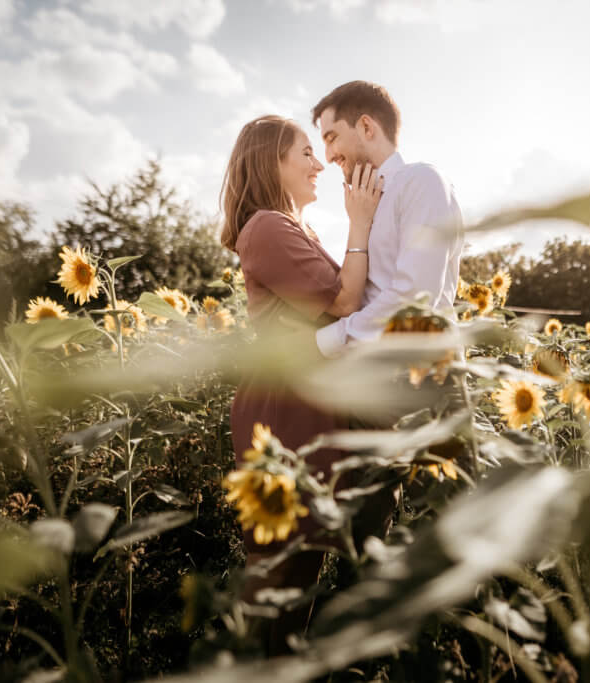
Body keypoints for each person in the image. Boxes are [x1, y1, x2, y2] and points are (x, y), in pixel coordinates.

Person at [219, 114, 383, 651]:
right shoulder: (267, 226)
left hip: (306, 400)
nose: (319, 165)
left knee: (307, 561)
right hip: (284, 408)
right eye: (306, 154)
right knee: (286, 572)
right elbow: (342, 303)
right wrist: (359, 222)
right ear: (273, 163)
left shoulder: (292, 227)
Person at [310, 81, 465, 359]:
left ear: (367, 128)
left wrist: (320, 343)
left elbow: (415, 300)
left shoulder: (422, 182)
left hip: (425, 380)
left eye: (331, 138)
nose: (329, 156)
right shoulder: (363, 205)